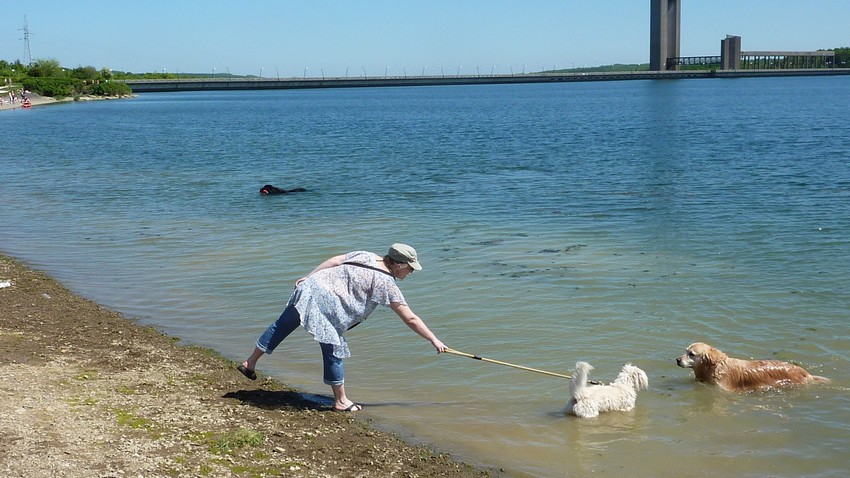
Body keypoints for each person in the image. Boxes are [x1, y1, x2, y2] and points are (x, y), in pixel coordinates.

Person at [237, 243, 447, 412]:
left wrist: (308, 277)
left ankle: (250, 363)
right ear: (400, 265)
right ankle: (341, 401)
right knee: (333, 349)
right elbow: (410, 318)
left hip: (309, 290)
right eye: (410, 268)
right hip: (326, 307)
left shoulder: (366, 255)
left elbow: (334, 260)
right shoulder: (386, 282)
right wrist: (434, 339)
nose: (410, 273)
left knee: (281, 326)